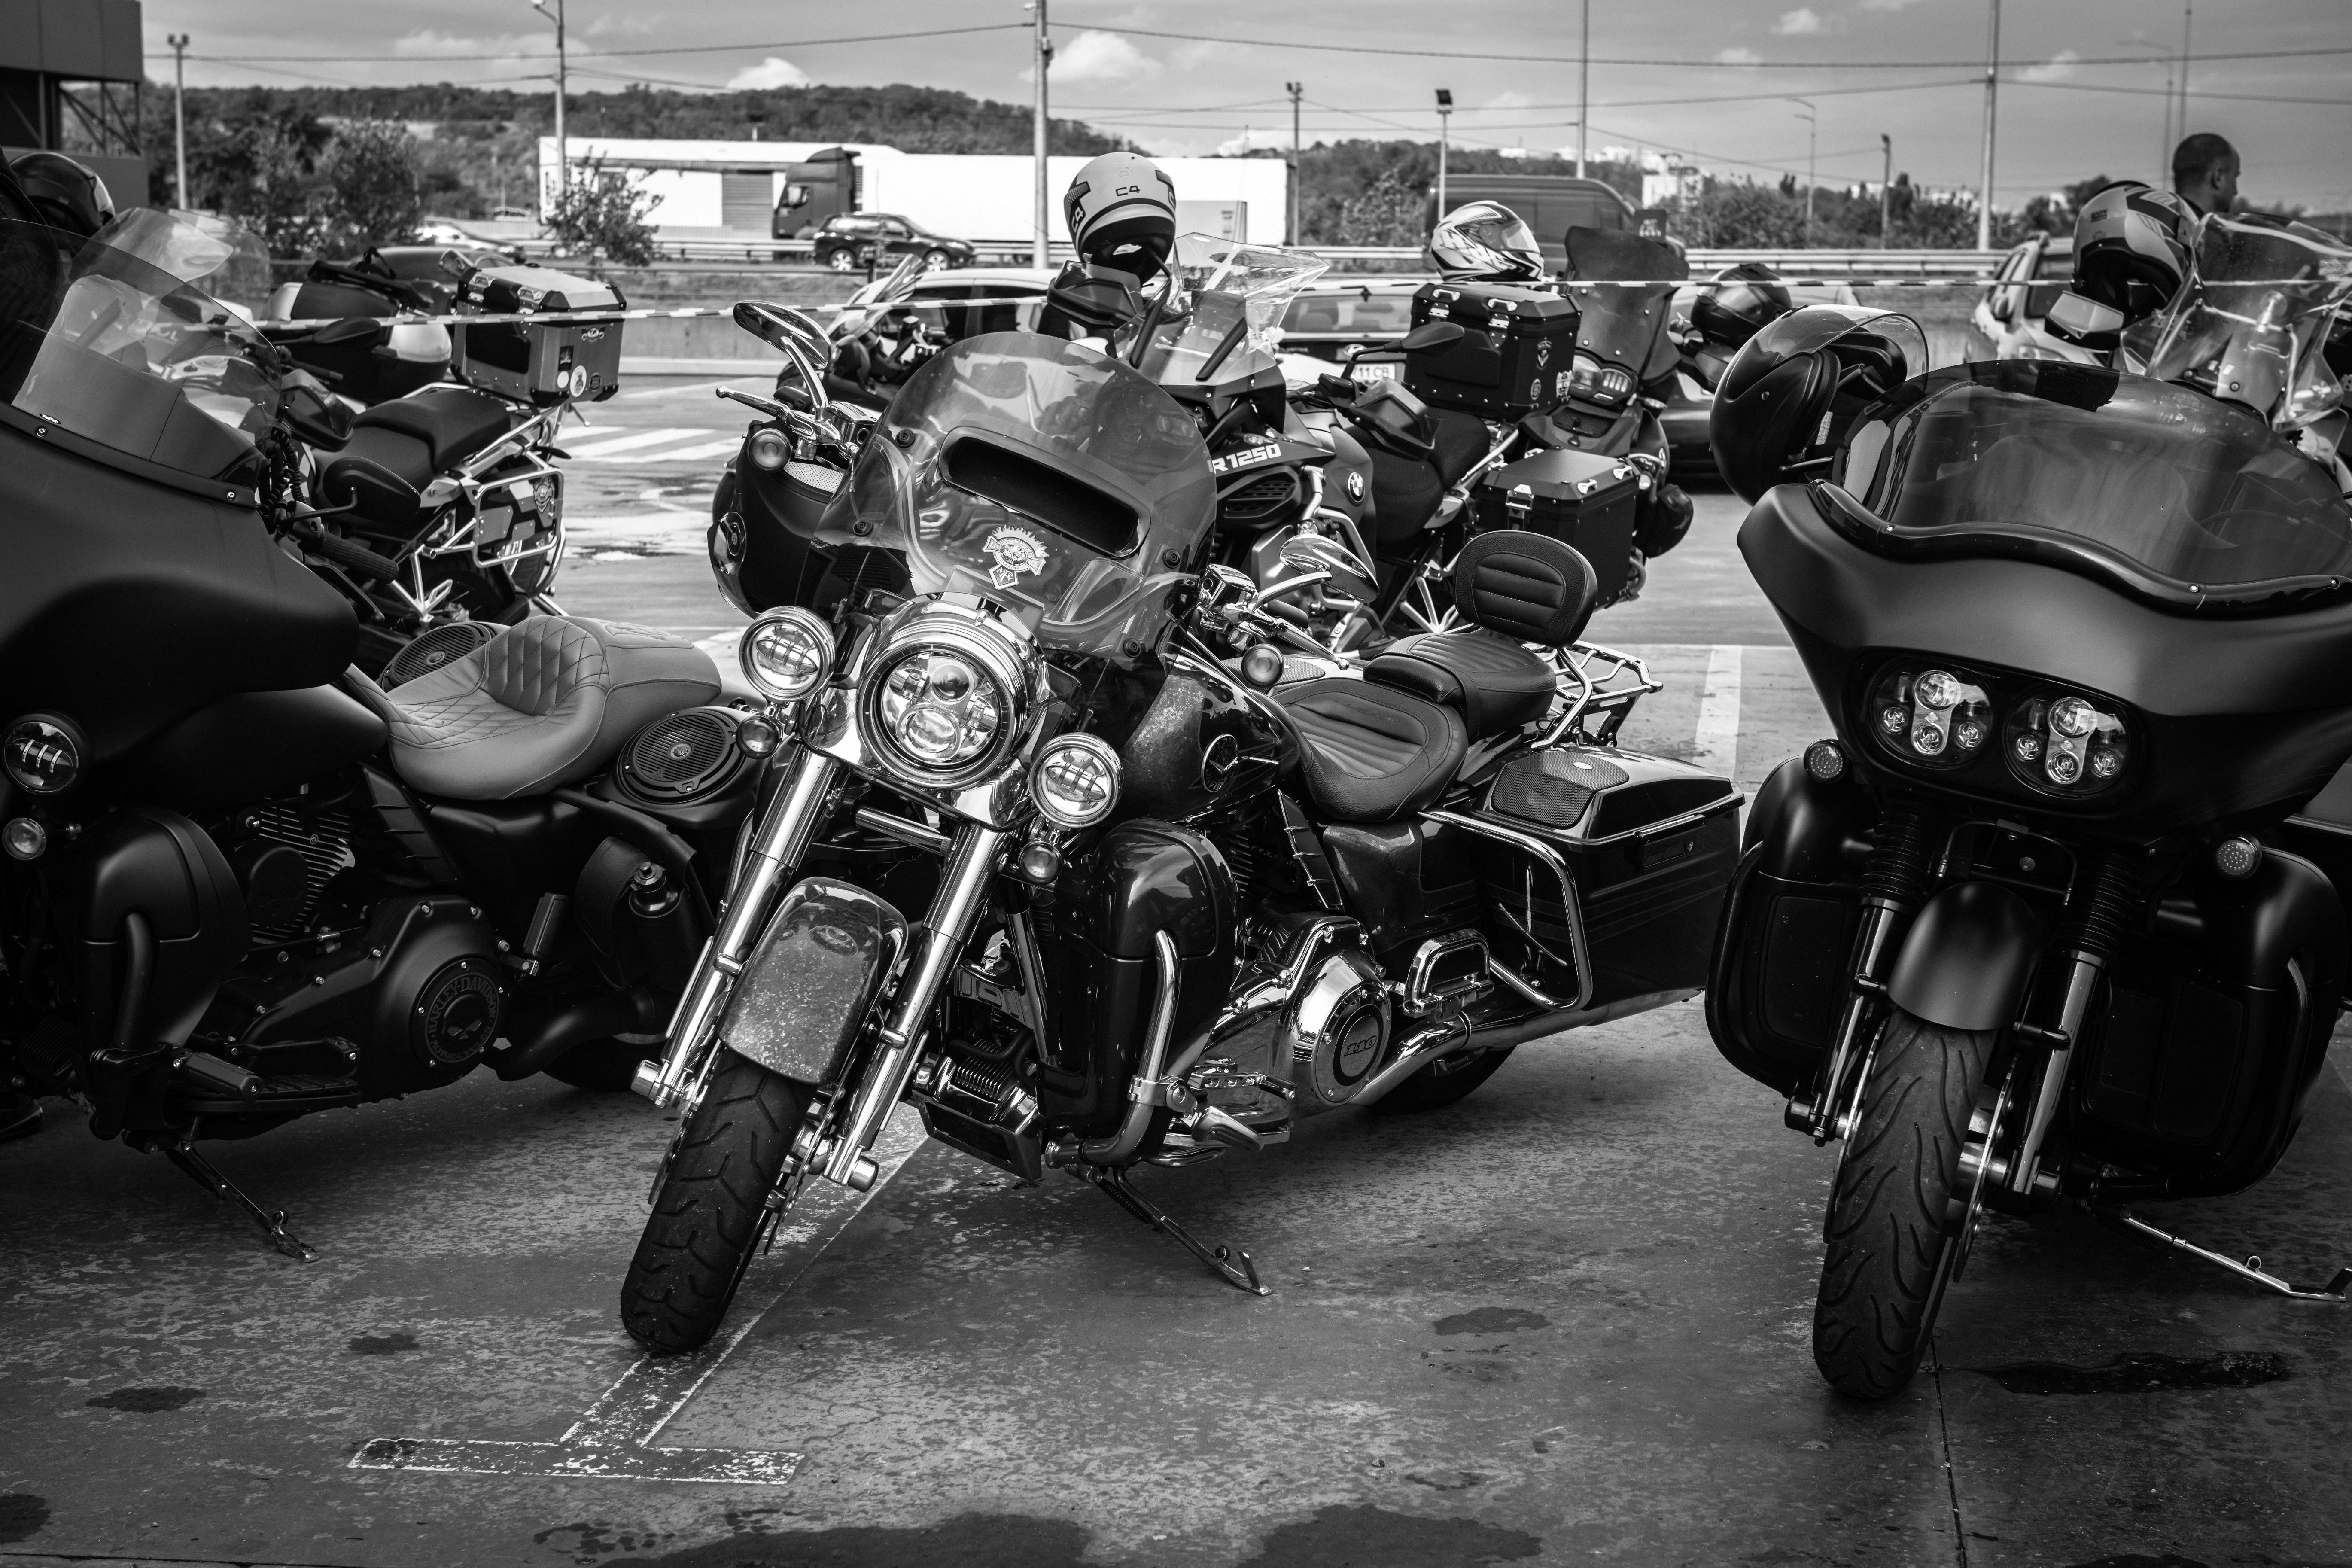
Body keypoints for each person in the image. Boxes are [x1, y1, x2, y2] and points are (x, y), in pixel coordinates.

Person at [2171, 133, 2240, 218]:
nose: (2236, 191)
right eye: (2235, 177)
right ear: (2218, 177)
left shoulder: (2157, 220)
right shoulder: (2208, 231)